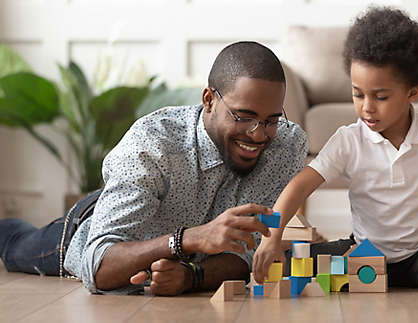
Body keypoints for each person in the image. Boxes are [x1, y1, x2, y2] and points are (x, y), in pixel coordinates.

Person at [0, 41, 308, 295]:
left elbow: (248, 252)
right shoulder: (153, 143)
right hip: (90, 230)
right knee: (13, 243)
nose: (258, 134)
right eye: (243, 116)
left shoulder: (286, 147)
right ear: (209, 100)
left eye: (270, 120)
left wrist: (192, 276)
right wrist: (187, 239)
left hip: (169, 257)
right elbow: (97, 267)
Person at [253, 7, 418, 292]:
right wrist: (271, 239)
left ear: (412, 92)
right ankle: (372, 274)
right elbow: (300, 186)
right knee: (290, 262)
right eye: (358, 94)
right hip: (366, 251)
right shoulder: (348, 139)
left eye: (380, 97)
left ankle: (387, 278)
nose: (367, 106)